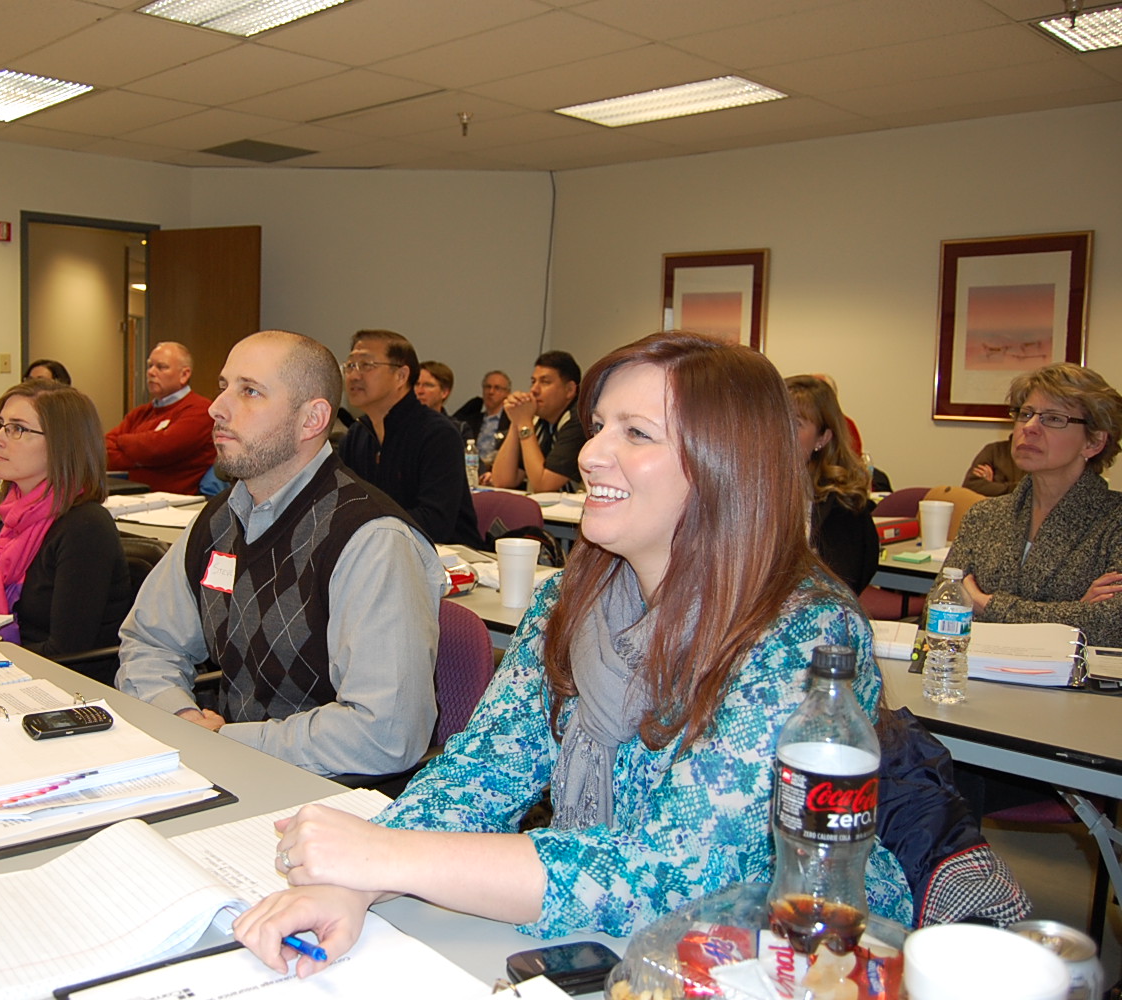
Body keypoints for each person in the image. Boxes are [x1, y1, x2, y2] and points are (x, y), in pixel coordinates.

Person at [232, 332, 913, 974]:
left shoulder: (807, 635)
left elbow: (675, 873)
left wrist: (392, 856)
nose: (590, 455)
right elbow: (483, 769)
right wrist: (356, 883)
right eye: (600, 426)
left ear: (723, 467)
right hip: (605, 938)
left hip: (789, 960)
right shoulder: (574, 596)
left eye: (636, 433)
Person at [117, 330, 444, 778]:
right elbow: (150, 640)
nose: (217, 408)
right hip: (226, 767)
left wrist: (226, 741)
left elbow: (385, 733)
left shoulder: (371, 540)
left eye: (249, 391)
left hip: (323, 800)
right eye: (223, 386)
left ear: (312, 420)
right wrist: (181, 717)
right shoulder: (217, 520)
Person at [946, 363, 1122, 647]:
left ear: (1093, 442)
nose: (1029, 428)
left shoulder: (1115, 523)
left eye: (1053, 419)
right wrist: (1074, 613)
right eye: (1026, 414)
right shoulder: (984, 516)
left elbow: (1111, 625)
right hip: (978, 678)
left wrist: (984, 604)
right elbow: (941, 606)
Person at [0, 379, 131, 667]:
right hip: (17, 666)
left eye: (17, 429)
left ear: (62, 444)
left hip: (68, 687)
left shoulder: (85, 527)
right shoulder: (15, 517)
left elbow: (66, 652)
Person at [338, 331, 480, 547]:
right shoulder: (356, 436)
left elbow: (435, 523)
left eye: (367, 365)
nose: (354, 375)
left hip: (449, 561)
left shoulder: (438, 435)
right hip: (378, 554)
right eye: (350, 366)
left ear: (401, 376)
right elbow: (341, 507)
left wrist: (363, 526)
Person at [786, 375, 879, 594]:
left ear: (823, 438)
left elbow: (838, 590)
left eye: (797, 424)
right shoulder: (748, 490)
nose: (783, 430)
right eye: (778, 418)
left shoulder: (841, 507)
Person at [104, 341, 215, 494]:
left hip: (176, 505)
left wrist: (122, 441)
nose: (151, 372)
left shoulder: (201, 410)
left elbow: (159, 449)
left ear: (184, 374)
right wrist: (143, 456)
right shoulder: (140, 413)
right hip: (132, 497)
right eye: (150, 366)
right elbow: (103, 452)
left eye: (161, 367)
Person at [487, 350, 583, 491]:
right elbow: (502, 480)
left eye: (545, 382)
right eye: (533, 382)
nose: (534, 390)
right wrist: (517, 421)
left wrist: (525, 423)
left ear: (569, 390)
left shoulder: (580, 421)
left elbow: (543, 486)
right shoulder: (539, 421)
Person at [452, 370, 511, 470]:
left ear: (507, 393)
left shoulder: (511, 422)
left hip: (497, 471)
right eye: (487, 387)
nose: (491, 392)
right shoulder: (471, 420)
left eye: (497, 388)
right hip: (471, 469)